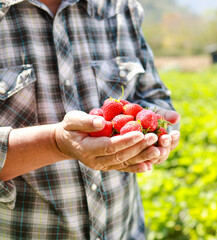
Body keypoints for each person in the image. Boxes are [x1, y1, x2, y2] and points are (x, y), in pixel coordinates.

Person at [0, 0, 181, 238]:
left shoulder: (121, 9)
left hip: (124, 230)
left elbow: (152, 97)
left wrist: (159, 130)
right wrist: (55, 142)